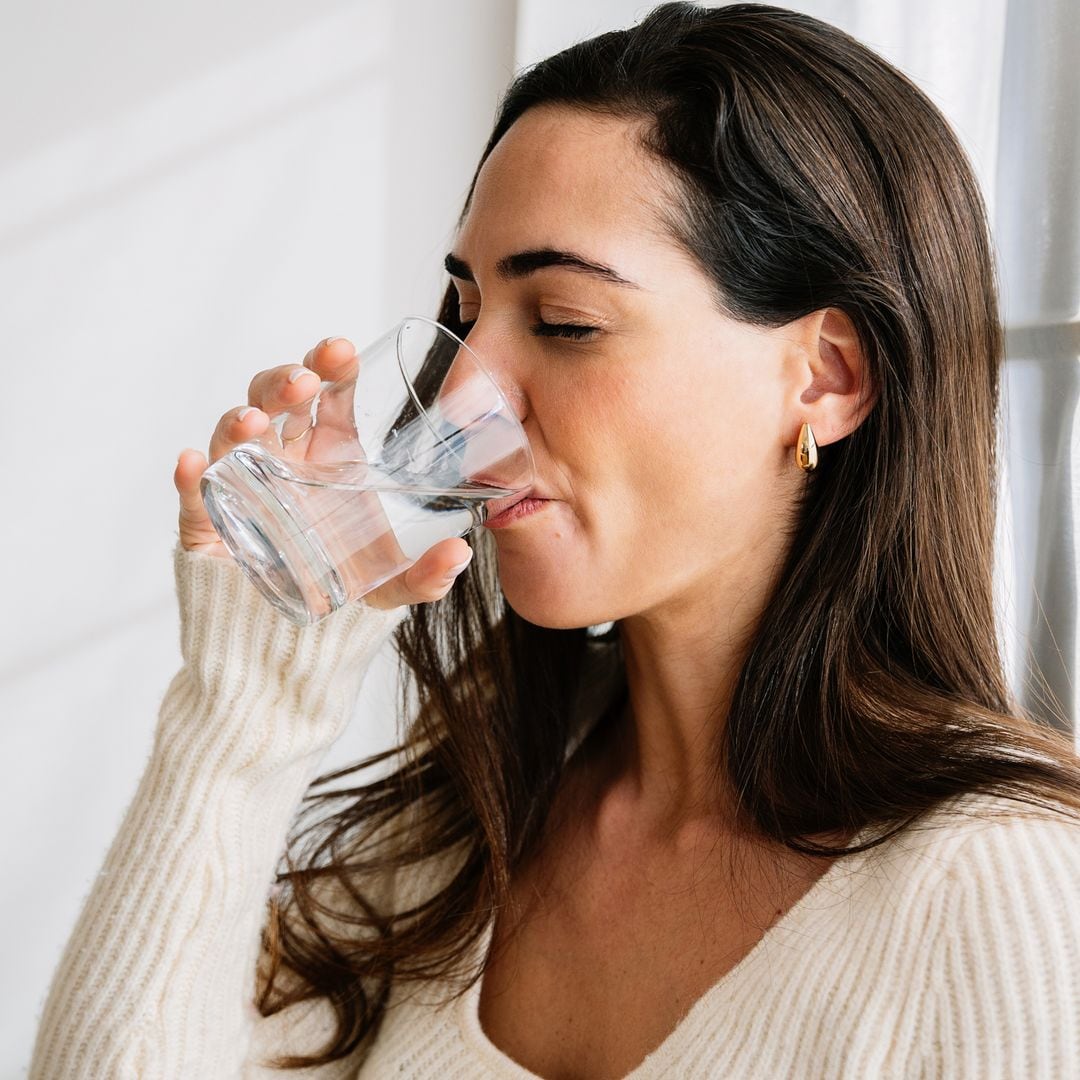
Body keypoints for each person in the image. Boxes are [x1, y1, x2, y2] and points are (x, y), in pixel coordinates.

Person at [30, 3, 1080, 1077]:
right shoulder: (463, 833)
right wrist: (245, 695)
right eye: (463, 310)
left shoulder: (1003, 893)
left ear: (825, 378)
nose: (456, 402)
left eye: (566, 321)